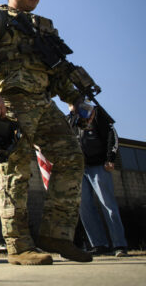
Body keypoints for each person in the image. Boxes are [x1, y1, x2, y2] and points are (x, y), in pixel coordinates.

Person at [0, 0, 91, 265]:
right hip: (10, 101)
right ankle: (19, 245)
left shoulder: (42, 27)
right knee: (15, 171)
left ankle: (57, 235)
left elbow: (56, 70)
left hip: (44, 103)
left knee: (72, 158)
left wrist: (75, 99)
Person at [68, 104, 128, 257]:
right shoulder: (70, 119)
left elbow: (111, 134)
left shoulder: (95, 112)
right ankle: (98, 244)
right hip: (80, 168)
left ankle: (119, 244)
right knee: (85, 207)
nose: (70, 104)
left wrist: (110, 158)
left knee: (108, 205)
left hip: (99, 166)